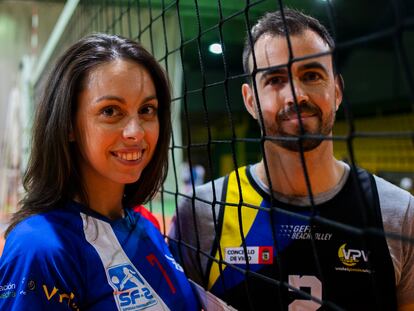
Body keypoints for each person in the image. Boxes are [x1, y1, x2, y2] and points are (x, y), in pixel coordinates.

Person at [169, 9, 414, 311]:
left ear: (336, 91)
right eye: (274, 79)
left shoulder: (399, 214)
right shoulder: (200, 214)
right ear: (250, 101)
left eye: (311, 75)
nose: (295, 95)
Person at [0, 33, 199, 310]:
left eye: (147, 110)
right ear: (68, 124)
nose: (136, 132)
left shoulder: (145, 224)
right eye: (110, 111)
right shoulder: (39, 248)